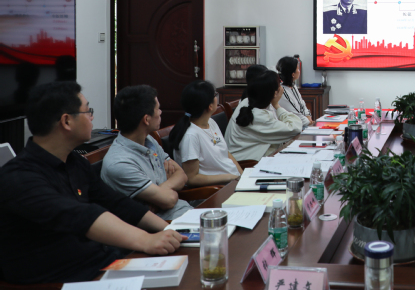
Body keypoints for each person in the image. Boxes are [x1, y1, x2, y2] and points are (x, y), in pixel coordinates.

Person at [0, 82, 183, 284]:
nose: (92, 117)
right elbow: (79, 215)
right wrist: (146, 240)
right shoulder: (18, 177)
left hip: (102, 263)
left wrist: (169, 231)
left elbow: (117, 203)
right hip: (62, 280)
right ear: (67, 121)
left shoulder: (75, 162)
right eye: (88, 111)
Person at [102, 85, 192, 221]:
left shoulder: (148, 140)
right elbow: (169, 200)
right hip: (163, 225)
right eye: (158, 109)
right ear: (146, 119)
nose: (160, 112)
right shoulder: (119, 163)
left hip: (184, 212)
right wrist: (167, 191)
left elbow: (182, 175)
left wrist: (162, 189)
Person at [170, 80, 242, 187]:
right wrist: (229, 177)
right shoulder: (190, 136)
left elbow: (226, 153)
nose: (216, 97)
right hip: (218, 189)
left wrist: (242, 175)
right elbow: (191, 178)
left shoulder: (211, 122)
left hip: (233, 182)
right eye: (215, 95)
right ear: (210, 106)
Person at [225, 71, 303, 160]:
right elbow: (295, 128)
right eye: (279, 84)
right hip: (246, 163)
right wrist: (277, 105)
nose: (282, 88)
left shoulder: (249, 102)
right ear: (275, 93)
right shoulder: (259, 116)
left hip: (250, 156)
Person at [276, 55, 312, 128]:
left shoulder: (293, 86)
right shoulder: (282, 91)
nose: (299, 71)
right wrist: (308, 121)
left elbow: (302, 104)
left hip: (303, 123)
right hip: (293, 126)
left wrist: (308, 116)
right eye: (298, 69)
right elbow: (295, 114)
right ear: (293, 74)